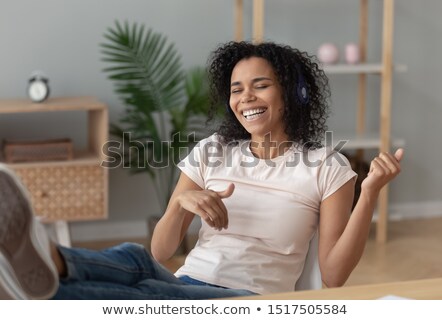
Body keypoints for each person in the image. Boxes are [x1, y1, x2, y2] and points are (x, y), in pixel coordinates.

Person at [0, 41, 403, 300]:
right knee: (137, 263)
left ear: (292, 93)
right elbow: (160, 253)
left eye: (260, 85)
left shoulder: (326, 167)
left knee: (150, 299)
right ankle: (48, 262)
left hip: (246, 299)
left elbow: (333, 277)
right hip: (186, 279)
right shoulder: (214, 151)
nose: (246, 97)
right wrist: (181, 206)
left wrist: (369, 195)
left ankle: (39, 283)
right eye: (236, 88)